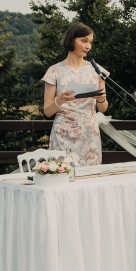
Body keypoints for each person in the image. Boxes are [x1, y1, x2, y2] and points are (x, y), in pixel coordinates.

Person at [40, 23, 108, 168]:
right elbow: (47, 112)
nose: (88, 46)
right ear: (71, 40)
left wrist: (102, 99)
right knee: (63, 174)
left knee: (90, 176)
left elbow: (102, 109)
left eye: (90, 42)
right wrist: (59, 100)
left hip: (89, 134)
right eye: (84, 41)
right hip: (63, 134)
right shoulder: (54, 71)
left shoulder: (96, 70)